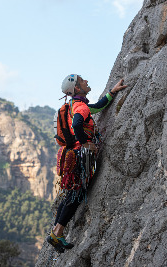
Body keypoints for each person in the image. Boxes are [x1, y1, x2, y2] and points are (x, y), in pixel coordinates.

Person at [47, 74, 127, 253]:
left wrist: (112, 92)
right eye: (83, 81)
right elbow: (77, 125)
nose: (87, 82)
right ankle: (58, 231)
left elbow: (98, 107)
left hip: (71, 156)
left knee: (69, 193)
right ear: (76, 88)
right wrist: (86, 143)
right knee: (75, 195)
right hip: (80, 157)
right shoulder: (80, 107)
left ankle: (55, 233)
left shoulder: (73, 105)